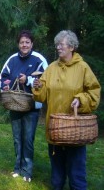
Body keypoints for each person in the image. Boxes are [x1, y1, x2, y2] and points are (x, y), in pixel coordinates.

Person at [32, 30, 101, 190]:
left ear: (71, 47)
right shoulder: (51, 68)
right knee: (57, 178)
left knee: (77, 177)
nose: (58, 47)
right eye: (56, 44)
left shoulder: (83, 67)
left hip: (75, 132)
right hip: (55, 131)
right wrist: (38, 88)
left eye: (61, 44)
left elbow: (94, 92)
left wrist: (81, 99)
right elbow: (41, 97)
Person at [0, 30, 48, 182]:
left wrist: (28, 81)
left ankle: (27, 171)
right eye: (22, 42)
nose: (24, 45)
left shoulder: (39, 60)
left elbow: (45, 82)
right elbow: (3, 77)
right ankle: (17, 168)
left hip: (32, 107)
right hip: (15, 104)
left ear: (32, 44)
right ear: (18, 44)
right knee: (17, 139)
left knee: (28, 139)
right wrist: (5, 87)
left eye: (27, 42)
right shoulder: (12, 60)